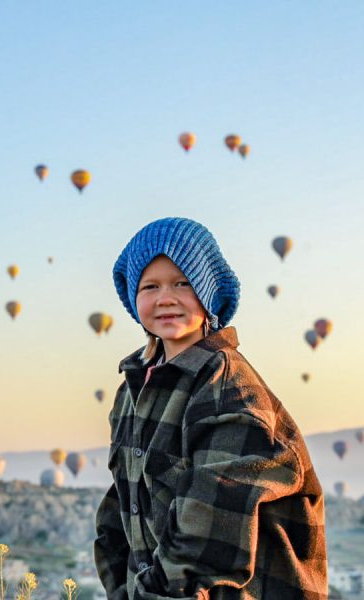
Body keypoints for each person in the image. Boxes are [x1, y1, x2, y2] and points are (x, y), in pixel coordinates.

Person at [94, 217, 327, 599]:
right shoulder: (133, 388)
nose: (165, 297)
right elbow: (123, 506)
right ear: (134, 299)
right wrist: (122, 588)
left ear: (208, 292)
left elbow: (207, 543)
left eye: (182, 283)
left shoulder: (228, 390)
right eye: (150, 286)